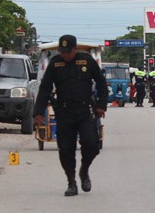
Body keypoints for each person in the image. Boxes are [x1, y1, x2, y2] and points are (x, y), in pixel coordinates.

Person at [33, 35, 108, 196]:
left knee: (92, 145)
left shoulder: (87, 61)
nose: (65, 55)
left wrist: (101, 106)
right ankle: (71, 182)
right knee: (66, 149)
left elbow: (101, 82)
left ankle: (84, 169)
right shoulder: (55, 63)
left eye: (68, 52)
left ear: (75, 49)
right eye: (63, 52)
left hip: (85, 111)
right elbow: (45, 88)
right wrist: (38, 112)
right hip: (64, 112)